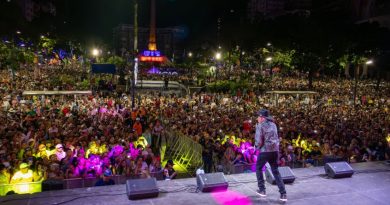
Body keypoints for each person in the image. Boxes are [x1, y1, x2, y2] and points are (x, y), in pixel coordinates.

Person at [255, 109, 287, 202]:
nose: (257, 118)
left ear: (262, 117)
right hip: (275, 151)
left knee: (258, 168)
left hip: (265, 150)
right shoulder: (274, 124)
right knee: (275, 171)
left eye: (258, 117)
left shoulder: (260, 125)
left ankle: (262, 190)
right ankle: (283, 194)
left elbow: (259, 141)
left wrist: (256, 148)